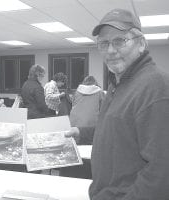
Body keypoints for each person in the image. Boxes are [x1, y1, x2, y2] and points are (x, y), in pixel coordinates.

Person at [66, 9, 169, 199]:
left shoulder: (156, 87)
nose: (111, 51)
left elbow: (161, 173)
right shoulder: (119, 84)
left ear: (141, 44)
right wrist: (82, 133)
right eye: (104, 43)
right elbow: (120, 129)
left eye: (119, 41)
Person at [69, 75, 105, 144]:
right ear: (95, 82)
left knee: (77, 144)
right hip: (91, 124)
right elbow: (103, 108)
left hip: (75, 122)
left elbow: (73, 104)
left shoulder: (77, 91)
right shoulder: (99, 92)